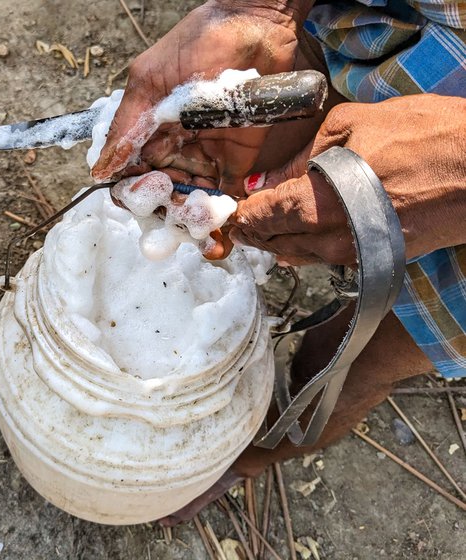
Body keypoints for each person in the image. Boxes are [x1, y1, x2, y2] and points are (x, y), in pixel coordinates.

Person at [91, 0, 466, 524]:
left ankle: (250, 457)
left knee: (355, 361)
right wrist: (263, 12)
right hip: (403, 24)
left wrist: (458, 166)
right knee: (237, 152)